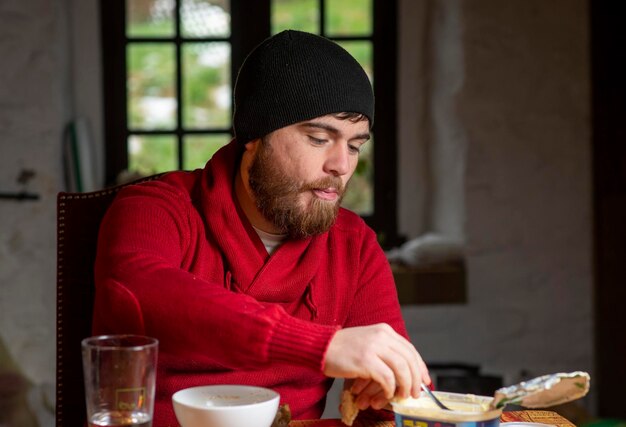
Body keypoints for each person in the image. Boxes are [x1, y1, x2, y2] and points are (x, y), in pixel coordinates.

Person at [93, 29, 430, 426]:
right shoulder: (156, 207)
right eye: (320, 138)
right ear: (253, 134)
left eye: (355, 146)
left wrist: (389, 395)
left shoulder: (353, 244)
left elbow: (394, 404)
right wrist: (321, 345)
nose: (341, 165)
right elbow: (139, 289)